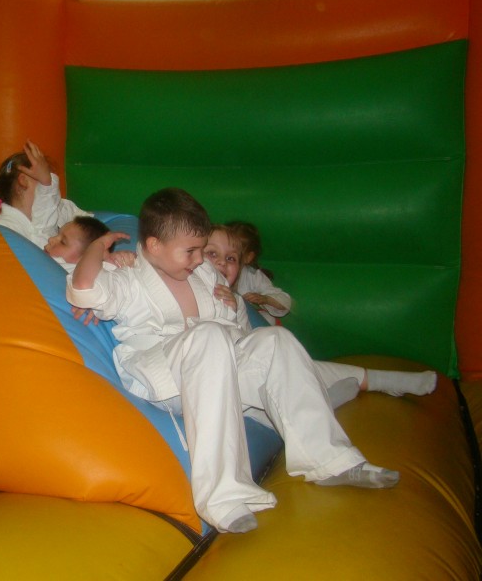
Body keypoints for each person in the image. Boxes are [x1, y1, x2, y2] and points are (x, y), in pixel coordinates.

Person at [66, 187, 405, 535]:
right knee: (209, 336)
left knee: (276, 341)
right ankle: (222, 496)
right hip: (167, 377)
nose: (200, 259)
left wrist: (234, 305)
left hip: (219, 368)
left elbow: (238, 335)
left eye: (201, 250)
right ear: (154, 246)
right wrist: (99, 248)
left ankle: (330, 459)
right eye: (191, 251)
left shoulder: (203, 275)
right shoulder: (128, 277)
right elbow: (84, 288)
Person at [205, 224, 437, 408]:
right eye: (212, 254)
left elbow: (248, 344)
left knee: (300, 364)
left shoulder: (238, 300)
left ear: (242, 264)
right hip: (228, 383)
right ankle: (320, 402)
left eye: (231, 258)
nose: (221, 262)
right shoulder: (191, 294)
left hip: (251, 368)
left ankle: (383, 381)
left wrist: (238, 309)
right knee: (279, 366)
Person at [0, 143, 93, 250]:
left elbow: (88, 223)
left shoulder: (58, 208)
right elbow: (40, 248)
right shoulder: (6, 227)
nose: (52, 187)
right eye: (47, 178)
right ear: (24, 180)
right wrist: (46, 186)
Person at [225, 221, 291, 325]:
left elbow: (285, 302)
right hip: (219, 320)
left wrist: (265, 299)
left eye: (232, 257)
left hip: (244, 323)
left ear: (248, 257)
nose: (223, 261)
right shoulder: (209, 269)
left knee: (268, 318)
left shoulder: (252, 276)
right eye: (215, 253)